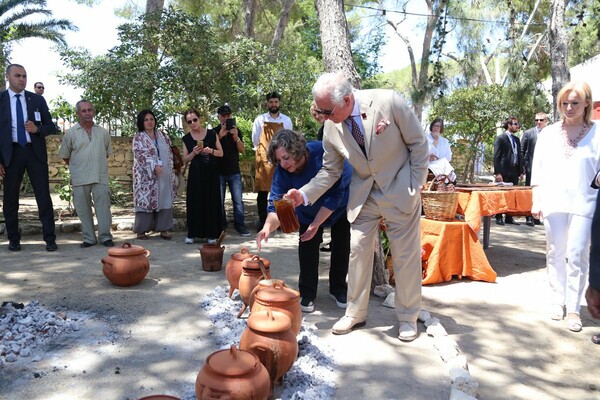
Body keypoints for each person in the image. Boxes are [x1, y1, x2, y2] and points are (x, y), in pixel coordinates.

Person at [286, 72, 429, 342]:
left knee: (405, 255)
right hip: (364, 195)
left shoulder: (389, 102)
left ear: (347, 100)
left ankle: (408, 316)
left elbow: (418, 144)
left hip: (400, 189)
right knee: (357, 251)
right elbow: (330, 172)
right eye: (320, 111)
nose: (324, 117)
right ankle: (355, 312)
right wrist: (303, 195)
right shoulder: (330, 126)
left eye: (327, 111)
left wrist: (415, 184)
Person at [256, 129, 351, 313]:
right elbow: (277, 204)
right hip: (307, 212)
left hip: (339, 207)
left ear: (297, 150)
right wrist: (267, 227)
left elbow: (336, 193)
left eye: (286, 158)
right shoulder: (282, 171)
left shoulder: (323, 154)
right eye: (279, 160)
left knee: (342, 246)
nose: (283, 164)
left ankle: (338, 288)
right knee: (307, 246)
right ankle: (307, 293)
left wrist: (317, 223)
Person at [531, 81, 598, 333]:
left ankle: (573, 308)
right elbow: (538, 169)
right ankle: (557, 300)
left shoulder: (597, 132)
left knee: (578, 254)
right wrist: (536, 199)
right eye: (564, 103)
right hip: (553, 200)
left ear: (586, 104)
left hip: (586, 202)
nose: (569, 108)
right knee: (555, 252)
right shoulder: (548, 134)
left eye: (575, 103)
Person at [0, 64, 57, 252]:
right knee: (10, 199)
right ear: (8, 76)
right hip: (11, 155)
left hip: (34, 153)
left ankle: (50, 238)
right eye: (17, 75)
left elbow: (51, 126)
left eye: (24, 76)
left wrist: (37, 129)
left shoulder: (37, 100)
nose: (22, 79)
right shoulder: (0, 100)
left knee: (43, 196)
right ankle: (14, 239)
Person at [58, 100, 114, 248]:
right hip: (80, 177)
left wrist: (95, 162)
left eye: (90, 110)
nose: (87, 113)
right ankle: (89, 238)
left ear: (93, 112)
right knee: (83, 210)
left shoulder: (102, 132)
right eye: (84, 111)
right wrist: (78, 166)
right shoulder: (71, 133)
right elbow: (65, 155)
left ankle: (105, 237)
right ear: (78, 114)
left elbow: (106, 153)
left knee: (103, 208)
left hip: (100, 175)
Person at [132, 109, 176, 240]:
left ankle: (164, 229)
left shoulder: (163, 135)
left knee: (164, 199)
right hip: (146, 177)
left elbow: (169, 152)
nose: (149, 122)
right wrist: (153, 165)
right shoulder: (138, 137)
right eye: (146, 120)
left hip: (164, 174)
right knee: (145, 201)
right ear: (142, 122)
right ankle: (141, 230)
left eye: (151, 119)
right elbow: (140, 154)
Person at [252, 91, 293, 231]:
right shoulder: (260, 119)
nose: (273, 104)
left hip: (282, 158)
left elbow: (290, 140)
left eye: (276, 102)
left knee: (283, 190)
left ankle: (282, 221)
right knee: (263, 192)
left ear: (279, 103)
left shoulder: (286, 120)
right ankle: (264, 222)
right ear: (267, 103)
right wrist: (264, 154)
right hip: (264, 159)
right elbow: (255, 140)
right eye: (271, 102)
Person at [181, 109, 223, 244]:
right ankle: (192, 233)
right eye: (189, 121)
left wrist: (210, 151)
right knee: (195, 202)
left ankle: (211, 234)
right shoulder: (186, 138)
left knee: (211, 201)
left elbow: (221, 153)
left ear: (200, 119)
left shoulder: (211, 134)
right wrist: (193, 153)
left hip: (211, 172)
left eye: (195, 120)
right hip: (196, 174)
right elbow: (185, 160)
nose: (193, 123)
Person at [213, 104, 250, 237]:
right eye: (223, 116)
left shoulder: (236, 130)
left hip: (234, 171)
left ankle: (240, 225)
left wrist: (236, 138)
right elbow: (210, 149)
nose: (226, 118)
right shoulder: (213, 132)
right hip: (219, 171)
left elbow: (242, 150)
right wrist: (220, 136)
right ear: (218, 117)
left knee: (238, 200)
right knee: (219, 200)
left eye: (228, 115)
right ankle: (222, 225)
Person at [494, 116, 524, 225]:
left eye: (517, 124)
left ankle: (509, 217)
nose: (517, 126)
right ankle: (498, 216)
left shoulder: (516, 139)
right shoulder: (501, 138)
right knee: (501, 194)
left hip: (514, 170)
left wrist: (521, 171)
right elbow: (496, 156)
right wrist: (498, 172)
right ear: (509, 125)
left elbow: (519, 155)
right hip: (503, 171)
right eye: (515, 124)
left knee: (512, 195)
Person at [521, 112, 547, 226]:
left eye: (541, 120)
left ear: (546, 121)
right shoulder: (528, 133)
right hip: (531, 169)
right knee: (530, 193)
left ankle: (538, 217)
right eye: (537, 120)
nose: (539, 122)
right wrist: (523, 168)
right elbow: (522, 151)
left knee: (543, 192)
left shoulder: (550, 133)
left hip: (546, 169)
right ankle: (529, 217)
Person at [426, 118, 455, 182]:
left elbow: (449, 157)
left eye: (439, 126)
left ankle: (447, 183)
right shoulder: (425, 138)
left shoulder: (445, 141)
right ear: (432, 126)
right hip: (428, 165)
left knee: (445, 164)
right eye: (435, 125)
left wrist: (439, 159)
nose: (436, 128)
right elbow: (424, 153)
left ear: (441, 128)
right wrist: (435, 140)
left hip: (441, 165)